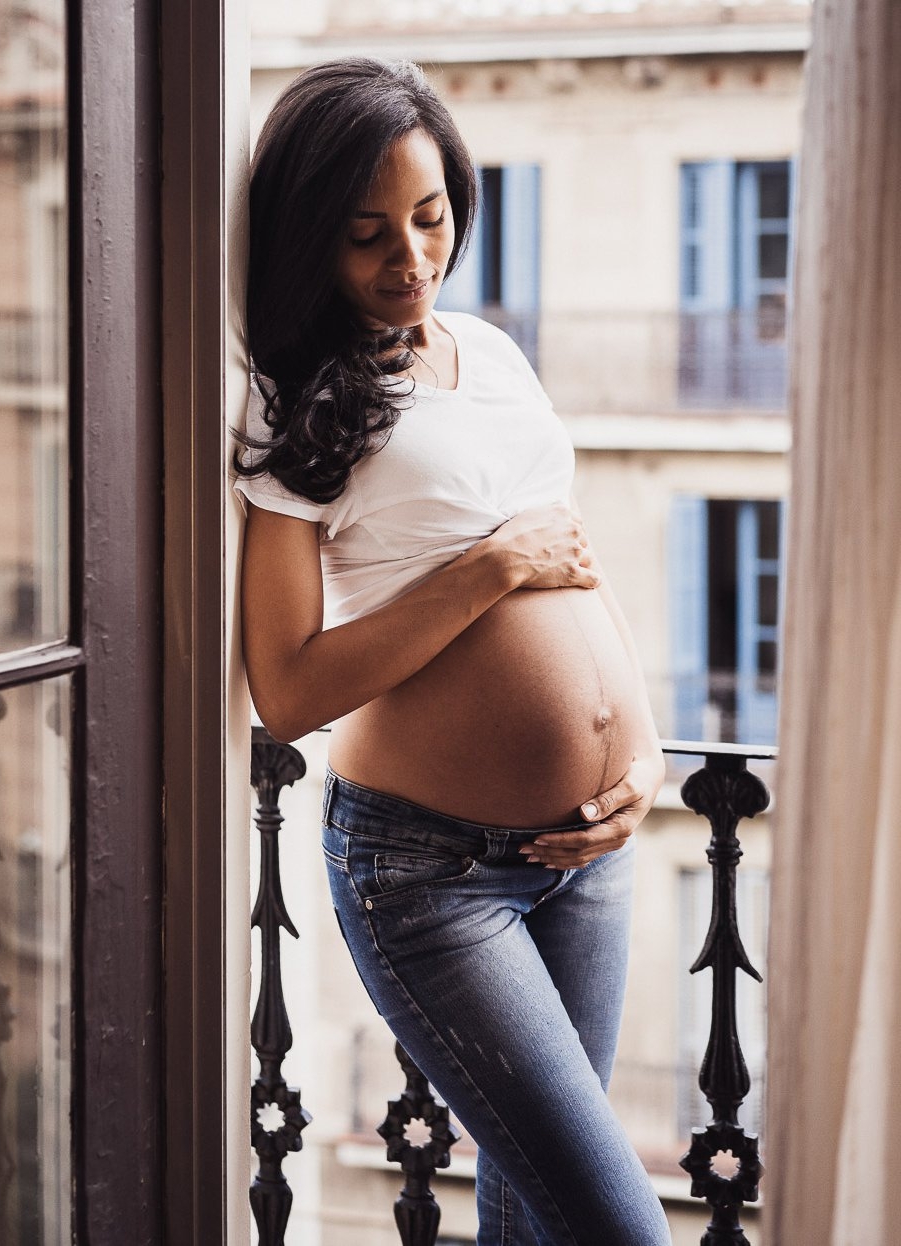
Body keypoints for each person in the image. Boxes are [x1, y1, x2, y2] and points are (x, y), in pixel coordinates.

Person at [235, 57, 673, 1246]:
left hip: (588, 854)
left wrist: (640, 752)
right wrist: (484, 570)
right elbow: (286, 688)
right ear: (310, 238)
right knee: (618, 1226)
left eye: (429, 217)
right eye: (366, 233)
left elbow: (573, 557)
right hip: (430, 874)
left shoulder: (491, 354)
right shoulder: (294, 402)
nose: (411, 258)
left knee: (535, 1220)